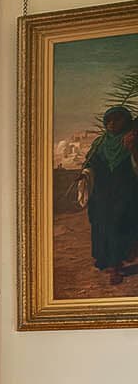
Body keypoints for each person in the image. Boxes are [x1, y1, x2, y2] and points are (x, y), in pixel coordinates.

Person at [80, 104, 138, 281]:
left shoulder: (131, 139)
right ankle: (106, 259)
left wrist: (132, 148)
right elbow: (90, 164)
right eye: (109, 121)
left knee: (120, 224)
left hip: (126, 192)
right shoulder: (100, 143)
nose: (112, 124)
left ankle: (116, 266)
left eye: (117, 120)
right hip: (102, 194)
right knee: (102, 225)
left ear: (126, 121)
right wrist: (85, 173)